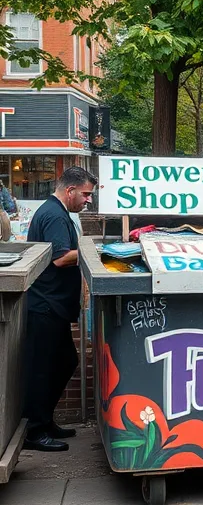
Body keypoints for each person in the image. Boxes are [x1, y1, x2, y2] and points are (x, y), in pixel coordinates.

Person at [22, 167, 97, 452]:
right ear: (70, 190)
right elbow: (61, 258)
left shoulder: (55, 211)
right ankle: (34, 430)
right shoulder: (54, 215)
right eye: (85, 194)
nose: (88, 200)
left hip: (52, 305)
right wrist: (95, 251)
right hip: (46, 305)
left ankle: (45, 421)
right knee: (43, 369)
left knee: (64, 362)